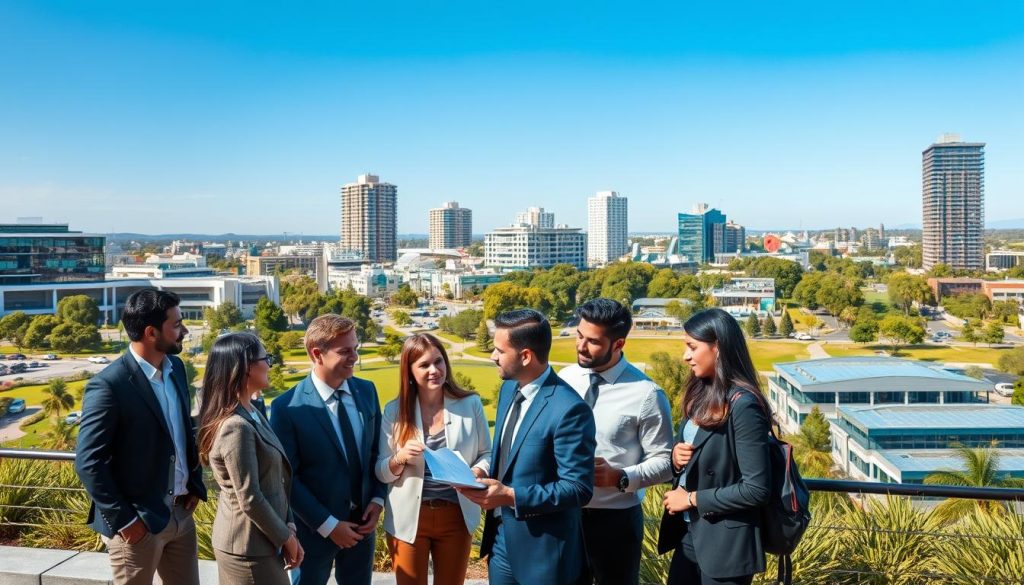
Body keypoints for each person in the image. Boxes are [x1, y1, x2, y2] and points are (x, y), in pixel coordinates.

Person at [75, 289, 207, 585]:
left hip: (181, 516)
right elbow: (88, 462)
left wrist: (194, 484)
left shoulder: (176, 368)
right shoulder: (109, 385)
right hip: (138, 526)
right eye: (177, 325)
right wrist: (125, 521)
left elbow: (182, 432)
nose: (185, 331)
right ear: (151, 332)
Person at [457, 308, 596, 585]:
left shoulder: (570, 410)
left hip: (545, 555)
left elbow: (578, 489)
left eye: (500, 351)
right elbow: (509, 456)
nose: (493, 356)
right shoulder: (509, 388)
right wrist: (483, 473)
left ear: (525, 356)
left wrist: (511, 496)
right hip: (501, 542)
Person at [558, 298, 674, 585]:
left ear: (618, 344)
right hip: (563, 514)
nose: (581, 346)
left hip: (615, 523)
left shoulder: (647, 394)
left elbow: (665, 462)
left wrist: (620, 477)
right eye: (579, 336)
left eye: (593, 341)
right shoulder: (565, 378)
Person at [658, 308, 772, 585]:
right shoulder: (702, 392)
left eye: (692, 347)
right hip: (690, 535)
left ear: (717, 347)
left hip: (726, 546)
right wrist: (676, 456)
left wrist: (691, 499)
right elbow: (702, 451)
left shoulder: (744, 405)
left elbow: (756, 489)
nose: (685, 356)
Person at [270, 314, 385, 585]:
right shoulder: (287, 408)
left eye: (356, 348)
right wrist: (329, 526)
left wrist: (378, 500)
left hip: (363, 529)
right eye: (345, 351)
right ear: (317, 354)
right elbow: (287, 478)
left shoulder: (367, 391)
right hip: (313, 535)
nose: (355, 357)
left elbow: (377, 453)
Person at [375, 333, 492, 585]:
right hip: (409, 519)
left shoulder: (470, 403)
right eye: (424, 365)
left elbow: (488, 454)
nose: (434, 370)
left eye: (438, 361)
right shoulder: (394, 411)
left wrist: (476, 472)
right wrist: (400, 457)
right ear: (409, 371)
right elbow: (381, 472)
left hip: (456, 515)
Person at [198, 333, 304, 585]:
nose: (269, 365)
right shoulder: (235, 426)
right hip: (247, 548)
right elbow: (250, 497)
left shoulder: (252, 412)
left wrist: (289, 525)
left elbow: (275, 480)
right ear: (245, 367)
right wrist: (286, 538)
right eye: (265, 358)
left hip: (263, 542)